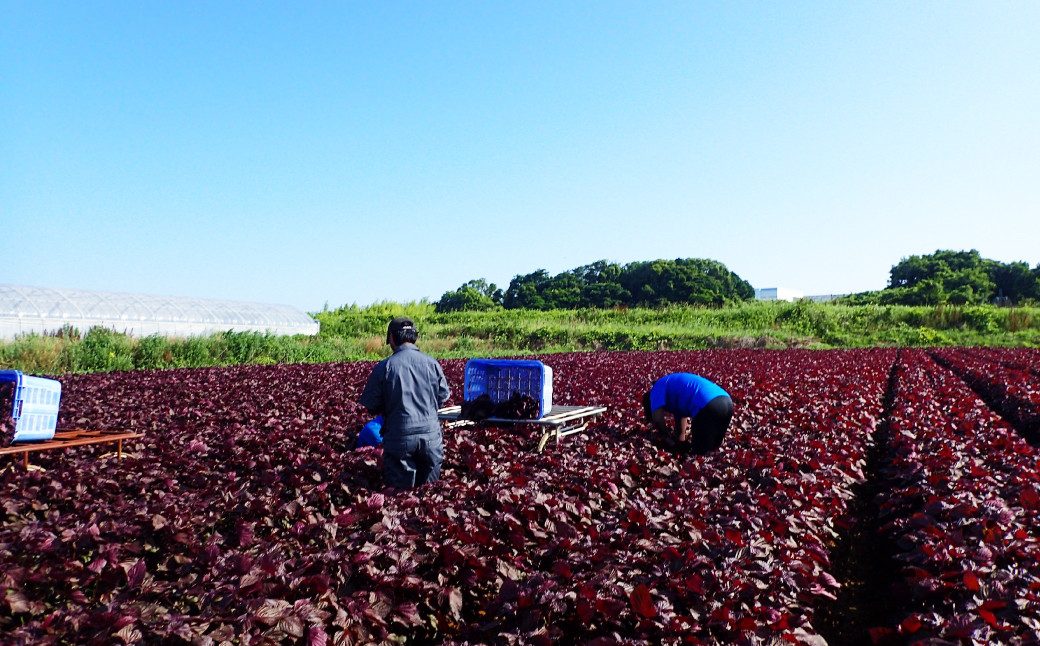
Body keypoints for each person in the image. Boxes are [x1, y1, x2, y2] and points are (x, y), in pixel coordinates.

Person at [359, 317, 451, 489]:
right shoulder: (432, 363)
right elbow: (442, 398)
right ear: (414, 336)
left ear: (392, 338)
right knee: (429, 496)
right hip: (431, 436)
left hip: (399, 437)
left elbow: (372, 406)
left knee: (401, 498)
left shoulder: (385, 367)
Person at [642, 373, 733, 456]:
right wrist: (679, 444)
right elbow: (681, 429)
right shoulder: (673, 389)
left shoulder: (657, 388)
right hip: (726, 402)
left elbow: (657, 418)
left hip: (708, 406)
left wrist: (665, 434)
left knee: (700, 454)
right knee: (713, 450)